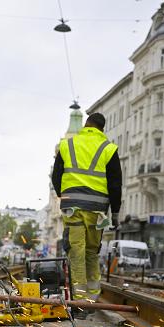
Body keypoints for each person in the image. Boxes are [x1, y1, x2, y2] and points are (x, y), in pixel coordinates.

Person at [51, 112, 122, 306]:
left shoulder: (68, 145)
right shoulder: (108, 148)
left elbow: (56, 176)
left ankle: (80, 299)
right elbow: (116, 184)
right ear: (102, 128)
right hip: (97, 209)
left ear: (86, 125)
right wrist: (115, 212)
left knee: (76, 250)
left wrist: (63, 195)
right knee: (91, 251)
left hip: (72, 207)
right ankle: (93, 296)